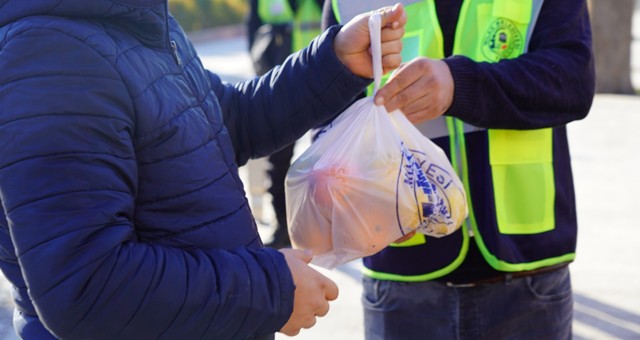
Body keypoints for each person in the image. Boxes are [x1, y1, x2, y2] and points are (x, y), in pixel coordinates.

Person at [0, 1, 406, 339]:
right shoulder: (50, 54)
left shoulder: (133, 25)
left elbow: (225, 122)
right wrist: (271, 289)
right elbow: (86, 285)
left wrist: (332, 63)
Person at [323, 0, 595, 339]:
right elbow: (329, 122)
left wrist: (460, 85)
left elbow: (573, 81)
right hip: (403, 278)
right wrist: (363, 197)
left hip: (526, 277)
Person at [246, 0, 325, 249]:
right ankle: (284, 227)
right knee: (277, 164)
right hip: (279, 87)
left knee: (329, 161)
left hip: (322, 83)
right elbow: (254, 26)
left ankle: (328, 225)